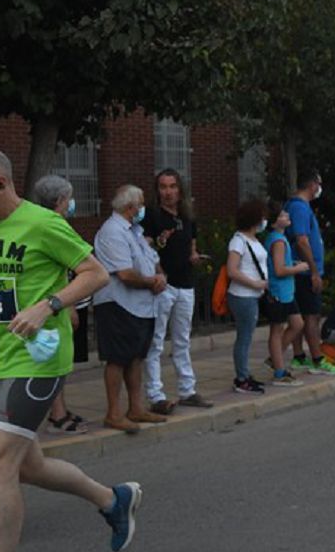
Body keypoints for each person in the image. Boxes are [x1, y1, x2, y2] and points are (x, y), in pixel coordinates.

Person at [0, 146, 141, 552]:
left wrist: (48, 304)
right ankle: (114, 500)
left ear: (0, 182)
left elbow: (95, 274)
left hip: (39, 361)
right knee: (28, 466)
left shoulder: (44, 223)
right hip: (4, 358)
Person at [94, 185, 169, 434]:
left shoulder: (135, 231)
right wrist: (152, 281)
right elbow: (124, 273)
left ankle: (136, 407)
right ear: (130, 207)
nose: (142, 209)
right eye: (140, 204)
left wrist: (159, 277)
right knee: (117, 358)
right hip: (118, 303)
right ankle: (113, 412)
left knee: (136, 356)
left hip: (141, 306)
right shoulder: (112, 231)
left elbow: (152, 260)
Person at [142, 168, 213, 413]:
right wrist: (158, 271)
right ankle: (156, 394)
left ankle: (187, 390)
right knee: (156, 341)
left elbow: (191, 244)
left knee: (182, 340)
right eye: (163, 187)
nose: (168, 192)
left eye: (172, 186)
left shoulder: (187, 215)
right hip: (165, 285)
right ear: (157, 190)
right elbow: (146, 249)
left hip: (186, 283)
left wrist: (194, 256)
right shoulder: (152, 215)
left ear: (179, 189)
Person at [31, 174, 88, 435]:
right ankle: (56, 414)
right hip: (55, 305)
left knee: (61, 360)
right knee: (53, 361)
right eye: (69, 198)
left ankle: (61, 409)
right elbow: (64, 272)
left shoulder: (51, 223)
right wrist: (69, 306)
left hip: (58, 304)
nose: (71, 203)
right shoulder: (52, 225)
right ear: (61, 200)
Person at [286, 170, 335, 375]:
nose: (319, 188)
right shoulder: (299, 208)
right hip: (304, 271)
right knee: (311, 316)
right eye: (319, 184)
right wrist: (314, 270)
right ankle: (317, 358)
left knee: (301, 315)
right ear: (312, 185)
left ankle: (300, 356)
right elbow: (302, 240)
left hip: (302, 270)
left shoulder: (298, 206)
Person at [226, 199, 270, 394]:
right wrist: (255, 284)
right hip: (243, 295)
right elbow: (232, 270)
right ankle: (241, 378)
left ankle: (244, 373)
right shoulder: (238, 241)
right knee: (244, 337)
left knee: (246, 336)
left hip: (252, 295)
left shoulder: (253, 240)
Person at [263, 200, 309, 386]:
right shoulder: (278, 241)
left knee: (298, 324)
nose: (287, 216)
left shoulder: (278, 239)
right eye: (282, 215)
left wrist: (293, 265)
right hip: (278, 292)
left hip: (287, 292)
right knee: (277, 330)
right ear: (274, 223)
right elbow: (279, 270)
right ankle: (279, 372)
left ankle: (276, 358)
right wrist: (300, 268)